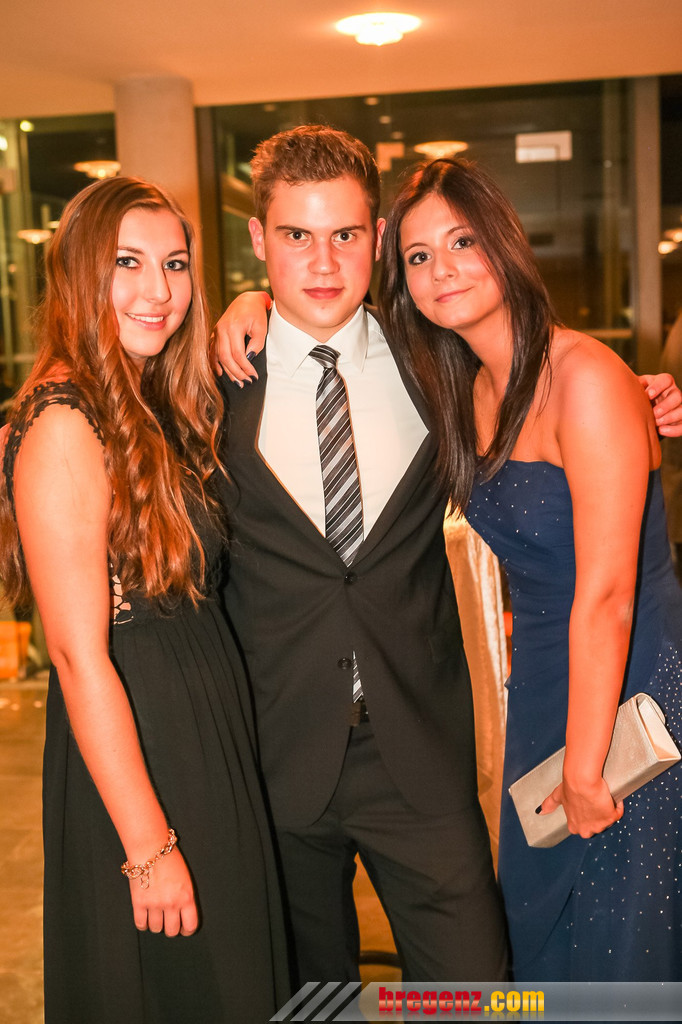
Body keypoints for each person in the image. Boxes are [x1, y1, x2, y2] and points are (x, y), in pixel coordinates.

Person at [213, 125, 509, 985]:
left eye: (344, 233)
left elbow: (540, 401)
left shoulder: (438, 359)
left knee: (476, 990)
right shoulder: (211, 380)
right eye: (296, 235)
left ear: (377, 237)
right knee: (308, 997)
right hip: (273, 757)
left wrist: (638, 396)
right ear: (260, 238)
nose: (322, 262)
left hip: (418, 748)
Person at [377, 156, 682, 981]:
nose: (442, 269)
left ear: (504, 241)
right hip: (545, 685)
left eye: (462, 241)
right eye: (418, 256)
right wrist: (252, 307)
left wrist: (585, 763)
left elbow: (608, 596)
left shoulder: (584, 377)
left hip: (633, 681)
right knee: (539, 923)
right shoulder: (466, 390)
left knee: (625, 934)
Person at [0, 177, 288, 1022]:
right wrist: (148, 847)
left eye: (175, 264)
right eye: (127, 263)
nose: (157, 290)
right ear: (78, 274)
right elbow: (76, 657)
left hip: (196, 731)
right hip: (144, 750)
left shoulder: (139, 394)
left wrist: (255, 302)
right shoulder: (64, 422)